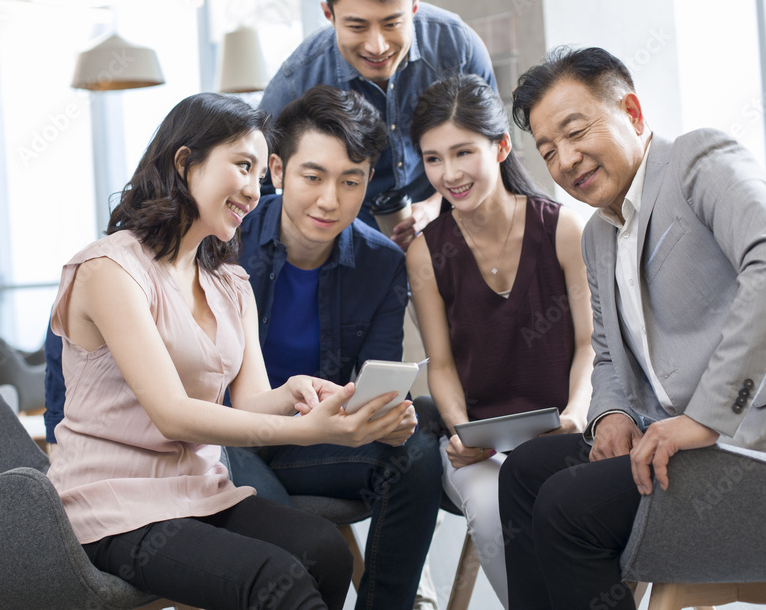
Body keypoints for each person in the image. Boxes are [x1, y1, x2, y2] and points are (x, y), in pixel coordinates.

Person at [498, 46, 766, 610]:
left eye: (576, 132)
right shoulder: (597, 236)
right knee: (525, 472)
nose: (566, 161)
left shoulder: (698, 160)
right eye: (549, 151)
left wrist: (704, 417)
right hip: (680, 443)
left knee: (567, 505)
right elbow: (608, 355)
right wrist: (611, 415)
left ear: (631, 112)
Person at [46, 92, 414, 610]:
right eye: (242, 165)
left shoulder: (229, 282)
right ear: (184, 161)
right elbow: (173, 416)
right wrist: (308, 430)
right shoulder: (110, 269)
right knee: (274, 579)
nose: (253, 188)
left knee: (325, 551)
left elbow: (248, 404)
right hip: (110, 505)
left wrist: (294, 393)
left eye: (260, 172)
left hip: (196, 489)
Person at [228, 84, 443, 610]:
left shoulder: (381, 264)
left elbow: (375, 383)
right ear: (276, 171)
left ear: (369, 181)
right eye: (313, 176)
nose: (330, 200)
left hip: (313, 438)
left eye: (351, 181)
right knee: (285, 532)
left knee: (416, 451)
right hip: (226, 435)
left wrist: (386, 417)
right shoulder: (223, 242)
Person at [405, 73, 593, 606]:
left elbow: (590, 344)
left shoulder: (562, 229)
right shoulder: (425, 253)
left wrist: (577, 411)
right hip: (478, 447)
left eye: (463, 152)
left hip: (562, 431)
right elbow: (439, 364)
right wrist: (462, 432)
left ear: (502, 146)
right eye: (433, 159)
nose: (449, 173)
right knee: (490, 507)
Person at [259, 0, 497, 249]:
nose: (377, 46)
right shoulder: (295, 82)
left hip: (453, 223)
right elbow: (257, 188)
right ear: (328, 14)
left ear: (414, 7)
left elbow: (491, 145)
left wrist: (440, 202)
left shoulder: (458, 47)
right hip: (346, 247)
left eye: (392, 24)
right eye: (357, 26)